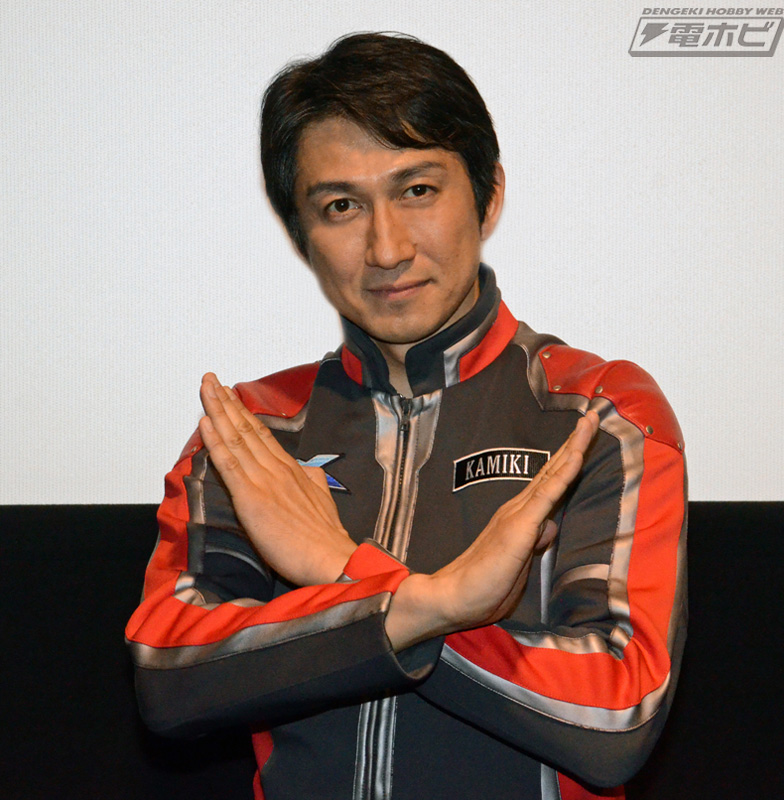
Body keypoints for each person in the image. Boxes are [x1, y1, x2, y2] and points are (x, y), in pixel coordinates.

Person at [126, 32, 687, 800]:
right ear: (300, 234)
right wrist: (426, 606)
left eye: (417, 190)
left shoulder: (596, 411)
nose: (386, 248)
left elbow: (617, 712)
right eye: (341, 206)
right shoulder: (253, 431)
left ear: (488, 195)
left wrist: (343, 571)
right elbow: (169, 680)